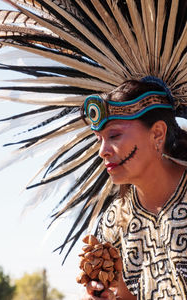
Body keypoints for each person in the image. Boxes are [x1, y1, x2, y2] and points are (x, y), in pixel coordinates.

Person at [81, 79, 187, 300]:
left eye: (114, 135)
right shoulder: (114, 222)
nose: (103, 151)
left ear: (157, 133)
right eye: (99, 139)